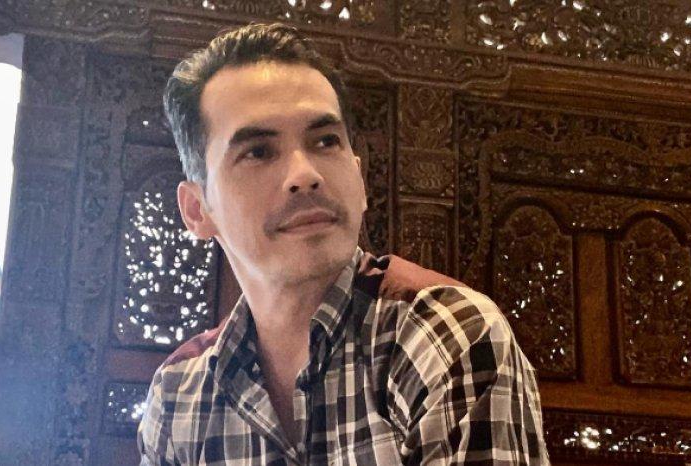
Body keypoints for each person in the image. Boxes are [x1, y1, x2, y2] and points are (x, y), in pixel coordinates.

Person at [138, 23, 549, 465]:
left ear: (359, 177)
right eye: (258, 151)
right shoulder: (179, 395)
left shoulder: (445, 336)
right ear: (197, 210)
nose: (305, 174)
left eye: (325, 141)